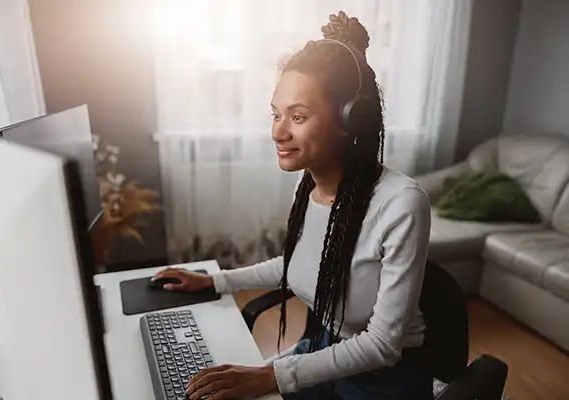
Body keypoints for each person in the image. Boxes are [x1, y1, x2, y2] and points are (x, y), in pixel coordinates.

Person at [153, 11, 433, 400]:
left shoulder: (402, 205)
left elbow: (383, 345)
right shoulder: (312, 186)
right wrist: (215, 281)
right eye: (276, 114)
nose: (278, 132)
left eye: (297, 116)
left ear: (350, 121)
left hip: (381, 379)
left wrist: (271, 376)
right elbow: (298, 262)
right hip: (324, 350)